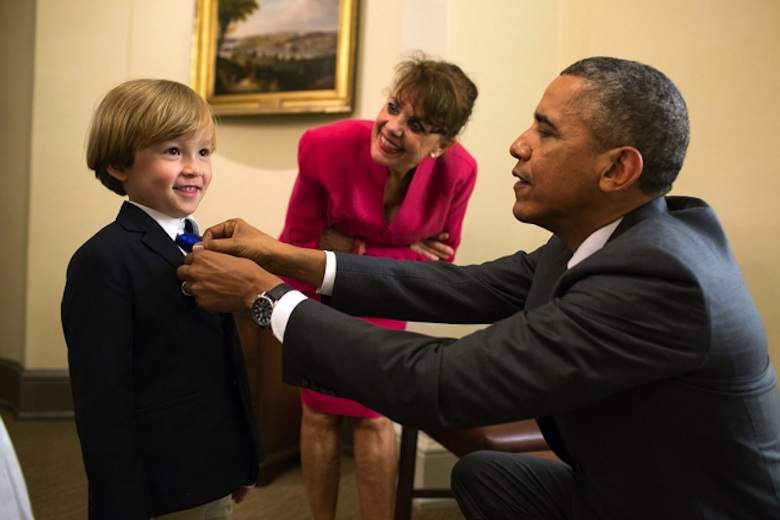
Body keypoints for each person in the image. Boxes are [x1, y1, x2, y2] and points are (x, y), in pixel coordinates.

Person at [178, 57, 780, 519]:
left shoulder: (657, 278)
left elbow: (441, 382)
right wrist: (282, 256)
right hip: (621, 480)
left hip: (690, 507)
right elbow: (458, 286)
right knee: (484, 475)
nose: (517, 144)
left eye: (545, 132)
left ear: (617, 169)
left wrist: (264, 295)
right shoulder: (601, 236)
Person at [279, 55, 478, 520]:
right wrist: (395, 249)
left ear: (440, 143)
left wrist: (350, 247)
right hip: (319, 295)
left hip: (389, 299)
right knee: (320, 414)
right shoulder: (322, 147)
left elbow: (439, 267)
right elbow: (296, 246)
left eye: (416, 124)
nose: (391, 126)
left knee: (373, 418)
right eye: (392, 107)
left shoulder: (458, 173)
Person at [61, 79, 260, 520]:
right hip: (159, 487)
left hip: (214, 467)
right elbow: (102, 404)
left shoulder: (203, 245)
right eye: (173, 151)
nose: (194, 168)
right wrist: (121, 502)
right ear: (118, 163)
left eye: (204, 152)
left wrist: (242, 456)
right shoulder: (103, 261)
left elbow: (226, 366)